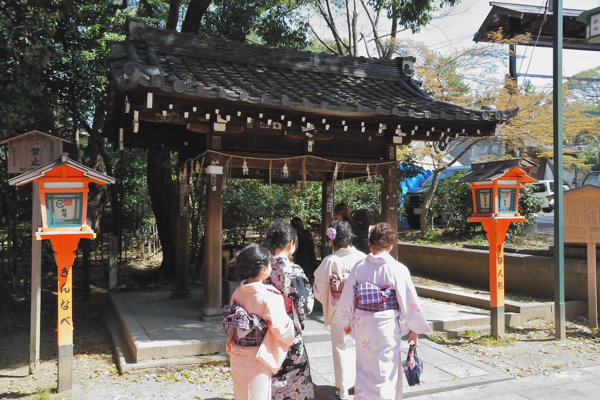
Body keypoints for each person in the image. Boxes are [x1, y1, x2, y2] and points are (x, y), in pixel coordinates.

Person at [334, 222, 430, 400]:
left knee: (364, 370)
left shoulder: (359, 266)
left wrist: (346, 322)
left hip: (363, 326)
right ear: (391, 245)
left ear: (370, 244)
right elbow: (409, 302)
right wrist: (414, 329)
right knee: (386, 372)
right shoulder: (398, 269)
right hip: (386, 327)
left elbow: (348, 296)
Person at [223, 243, 295, 400]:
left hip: (237, 350)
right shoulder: (268, 296)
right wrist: (291, 332)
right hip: (258, 354)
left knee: (241, 393)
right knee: (258, 395)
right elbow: (280, 328)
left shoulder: (238, 292)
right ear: (263, 269)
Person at [313, 220, 367, 400]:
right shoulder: (362, 257)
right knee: (361, 346)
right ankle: (361, 385)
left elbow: (319, 287)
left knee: (341, 348)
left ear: (332, 240)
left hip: (338, 310)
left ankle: (344, 389)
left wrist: (329, 300)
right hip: (361, 309)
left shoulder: (330, 261)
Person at [264, 219, 315, 400]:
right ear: (291, 243)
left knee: (269, 373)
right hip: (287, 332)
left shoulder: (262, 268)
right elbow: (306, 306)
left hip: (265, 332)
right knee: (295, 380)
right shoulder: (293, 270)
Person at [290, 217, 319, 283]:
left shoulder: (294, 234)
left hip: (299, 258)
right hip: (310, 258)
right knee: (307, 280)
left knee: (299, 279)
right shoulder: (307, 233)